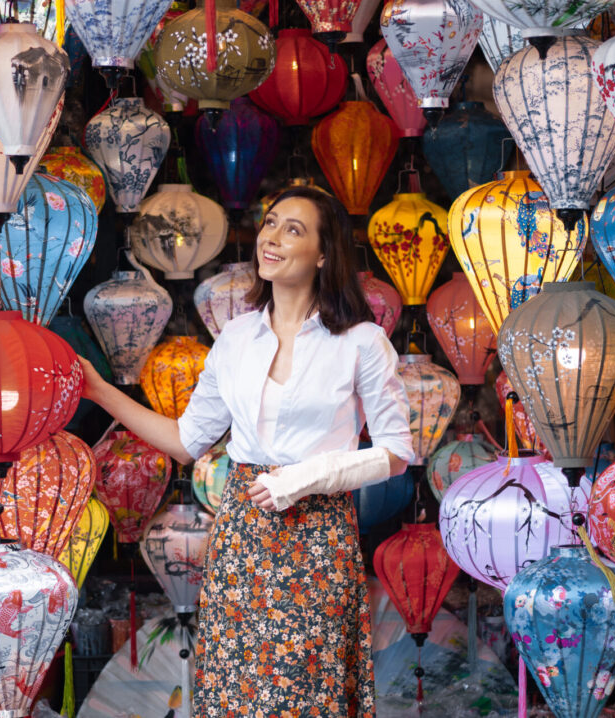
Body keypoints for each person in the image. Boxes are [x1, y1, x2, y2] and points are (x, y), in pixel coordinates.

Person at [80, 186, 414, 717]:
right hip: (242, 536)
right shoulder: (235, 337)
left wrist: (304, 478)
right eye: (271, 223)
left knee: (309, 689)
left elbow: (396, 454)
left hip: (318, 537)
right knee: (238, 691)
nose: (272, 238)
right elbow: (187, 441)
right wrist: (100, 391)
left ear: (324, 255)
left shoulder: (361, 341)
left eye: (293, 229)